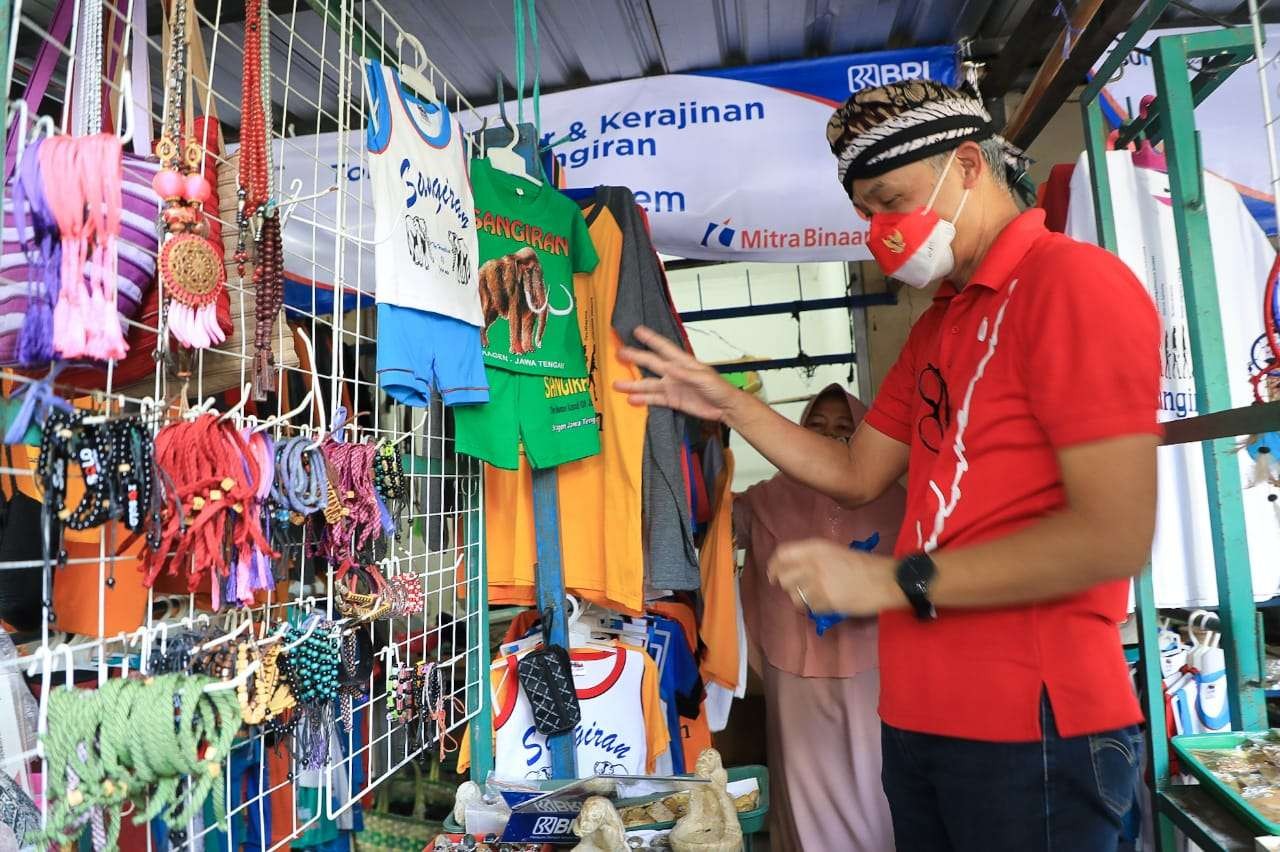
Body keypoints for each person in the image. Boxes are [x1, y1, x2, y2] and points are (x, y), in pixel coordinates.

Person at [618, 80, 1161, 851]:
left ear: (968, 164)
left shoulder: (1071, 284)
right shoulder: (941, 321)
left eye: (889, 200)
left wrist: (895, 580)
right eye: (865, 213)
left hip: (1034, 728)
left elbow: (1112, 536)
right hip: (917, 720)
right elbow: (855, 472)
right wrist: (729, 404)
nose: (879, 231)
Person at [734, 384, 903, 852]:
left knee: (874, 776)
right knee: (801, 775)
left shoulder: (897, 502)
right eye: (816, 428)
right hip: (794, 666)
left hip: (872, 665)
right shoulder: (767, 498)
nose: (829, 439)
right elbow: (717, 529)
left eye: (844, 431)